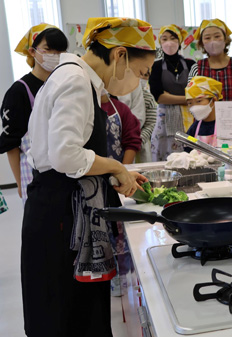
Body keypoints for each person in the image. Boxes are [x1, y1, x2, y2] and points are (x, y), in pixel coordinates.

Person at [23, 17, 155, 336]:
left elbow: (72, 153)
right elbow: (65, 155)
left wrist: (115, 176)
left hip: (65, 205)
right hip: (61, 216)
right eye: (141, 73)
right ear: (119, 55)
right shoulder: (75, 80)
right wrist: (115, 167)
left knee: (81, 315)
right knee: (67, 317)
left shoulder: (76, 78)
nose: (138, 82)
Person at [0, 24, 67, 203]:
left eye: (60, 51)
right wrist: (19, 183)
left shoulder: (63, 85)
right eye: (48, 49)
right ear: (32, 51)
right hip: (33, 173)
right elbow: (11, 144)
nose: (55, 56)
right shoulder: (19, 92)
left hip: (65, 169)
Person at [150, 24, 196, 161]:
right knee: (165, 155)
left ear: (180, 41)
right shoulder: (156, 66)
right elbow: (159, 97)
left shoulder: (190, 64)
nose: (169, 42)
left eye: (173, 38)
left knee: (189, 152)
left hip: (190, 115)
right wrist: (187, 99)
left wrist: (170, 96)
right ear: (160, 42)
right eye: (164, 39)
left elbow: (196, 92)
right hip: (164, 118)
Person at [188, 19, 232, 107]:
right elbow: (191, 100)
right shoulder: (196, 68)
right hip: (205, 120)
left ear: (225, 39)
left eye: (217, 36)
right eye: (207, 38)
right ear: (202, 43)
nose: (213, 41)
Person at [118, 73, 156, 163]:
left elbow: (151, 123)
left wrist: (137, 141)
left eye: (146, 75)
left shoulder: (148, 98)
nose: (141, 78)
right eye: (139, 74)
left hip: (139, 146)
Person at [100, 91, 142, 164]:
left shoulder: (121, 109)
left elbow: (132, 141)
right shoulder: (83, 109)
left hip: (119, 169)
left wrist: (123, 170)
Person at [184, 76, 223, 146]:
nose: (194, 106)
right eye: (190, 103)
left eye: (199, 101)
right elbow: (188, 147)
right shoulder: (195, 127)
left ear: (214, 100)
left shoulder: (225, 124)